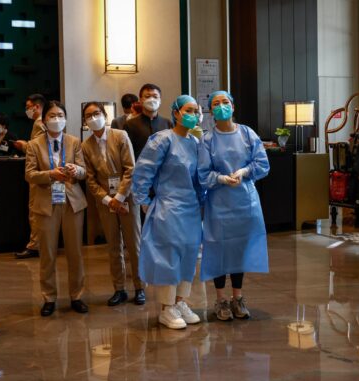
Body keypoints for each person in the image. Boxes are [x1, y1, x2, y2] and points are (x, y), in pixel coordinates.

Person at [131, 95, 204, 330]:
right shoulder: (162, 140)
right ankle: (166, 308)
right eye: (188, 110)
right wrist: (143, 201)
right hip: (168, 207)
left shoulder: (194, 143)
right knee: (168, 257)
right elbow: (143, 172)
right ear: (176, 113)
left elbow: (198, 178)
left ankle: (180, 301)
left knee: (189, 257)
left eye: (196, 110)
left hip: (191, 209)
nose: (193, 114)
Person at [197, 90, 270, 321]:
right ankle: (220, 300)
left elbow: (262, 163)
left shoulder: (247, 133)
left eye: (225, 102)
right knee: (218, 249)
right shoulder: (207, 139)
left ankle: (237, 298)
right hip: (219, 203)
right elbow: (202, 173)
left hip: (245, 201)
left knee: (239, 249)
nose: (221, 106)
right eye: (216, 104)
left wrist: (245, 171)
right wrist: (220, 179)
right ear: (210, 110)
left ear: (233, 106)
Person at [25, 100, 89, 316]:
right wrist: (50, 174)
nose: (56, 119)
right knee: (48, 253)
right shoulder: (34, 145)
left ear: (66, 118)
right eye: (52, 116)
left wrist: (75, 170)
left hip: (72, 202)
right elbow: (30, 175)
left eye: (60, 115)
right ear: (44, 121)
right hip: (46, 203)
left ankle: (77, 295)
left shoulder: (73, 142)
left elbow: (84, 172)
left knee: (75, 253)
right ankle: (49, 297)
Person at [81, 102, 145, 306]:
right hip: (105, 201)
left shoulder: (120, 136)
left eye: (97, 113)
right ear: (85, 121)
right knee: (113, 246)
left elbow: (130, 169)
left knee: (134, 245)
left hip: (127, 198)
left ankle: (140, 287)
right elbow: (90, 179)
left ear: (104, 115)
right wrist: (108, 199)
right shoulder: (86, 145)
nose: (93, 118)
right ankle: (119, 289)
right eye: (89, 115)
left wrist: (119, 196)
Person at [15, 93, 48, 260]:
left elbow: (39, 148)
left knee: (35, 210)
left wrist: (23, 145)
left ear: (36, 106)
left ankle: (35, 245)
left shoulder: (39, 122)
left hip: (38, 172)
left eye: (28, 107)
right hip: (46, 173)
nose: (27, 111)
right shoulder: (45, 122)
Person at [123, 84, 174, 160]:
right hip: (139, 169)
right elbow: (126, 153)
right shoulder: (130, 124)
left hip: (163, 169)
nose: (152, 99)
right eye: (147, 96)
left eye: (155, 96)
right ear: (140, 100)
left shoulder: (167, 123)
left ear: (160, 101)